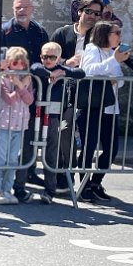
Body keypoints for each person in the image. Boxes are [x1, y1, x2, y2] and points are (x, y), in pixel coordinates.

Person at [77, 21, 132, 202]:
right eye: (116, 33)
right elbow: (88, 71)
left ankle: (96, 183)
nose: (119, 36)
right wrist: (113, 63)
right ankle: (84, 186)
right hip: (92, 107)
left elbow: (120, 81)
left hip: (110, 107)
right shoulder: (92, 49)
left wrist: (112, 68)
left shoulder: (112, 53)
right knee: (89, 147)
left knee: (112, 149)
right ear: (105, 34)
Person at [1, 0, 49, 195]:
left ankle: (24, 177)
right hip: (8, 94)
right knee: (6, 142)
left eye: (25, 7)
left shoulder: (40, 31)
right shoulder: (4, 30)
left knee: (30, 135)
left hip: (32, 91)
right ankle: (2, 184)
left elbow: (44, 59)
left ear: (32, 9)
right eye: (17, 8)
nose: (21, 11)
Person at [30, 42, 86, 204]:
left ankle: (50, 190)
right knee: (27, 152)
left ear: (59, 58)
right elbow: (35, 68)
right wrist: (51, 73)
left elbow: (80, 73)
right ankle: (19, 188)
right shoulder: (39, 67)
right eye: (44, 56)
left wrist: (63, 71)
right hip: (34, 115)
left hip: (53, 117)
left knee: (51, 153)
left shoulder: (62, 70)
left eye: (52, 57)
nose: (47, 60)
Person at [0, 47, 34, 205]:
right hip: (4, 124)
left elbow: (29, 100)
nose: (19, 66)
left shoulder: (28, 79)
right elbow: (9, 99)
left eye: (22, 63)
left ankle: (7, 189)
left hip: (19, 125)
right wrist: (19, 86)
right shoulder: (2, 78)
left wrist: (21, 85)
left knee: (12, 160)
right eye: (15, 63)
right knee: (0, 159)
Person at [51, 0, 104, 68]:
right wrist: (65, 62)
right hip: (64, 74)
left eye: (97, 13)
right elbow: (48, 55)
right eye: (88, 11)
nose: (92, 16)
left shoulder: (101, 36)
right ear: (80, 12)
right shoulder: (62, 33)